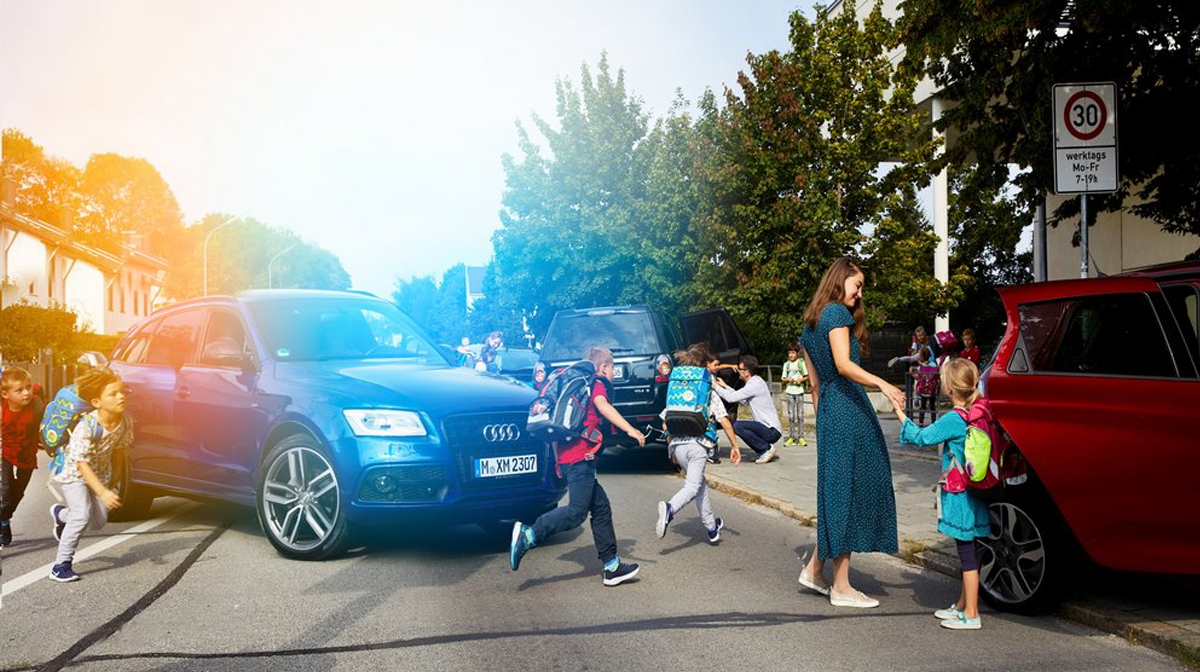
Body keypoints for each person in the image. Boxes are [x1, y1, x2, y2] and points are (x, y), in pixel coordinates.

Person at [798, 257, 904, 609]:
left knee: (837, 490)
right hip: (848, 409)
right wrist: (883, 384)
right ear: (841, 280)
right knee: (851, 491)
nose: (859, 294)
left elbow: (814, 384)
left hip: (829, 412)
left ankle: (814, 570)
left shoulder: (810, 324)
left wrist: (825, 421)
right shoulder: (836, 314)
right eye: (857, 285)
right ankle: (842, 588)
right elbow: (844, 366)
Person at [509, 347, 646, 587]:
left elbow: (554, 429)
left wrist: (558, 461)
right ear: (603, 367)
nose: (612, 372)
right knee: (576, 513)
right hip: (581, 458)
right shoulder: (596, 383)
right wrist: (630, 429)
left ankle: (611, 566)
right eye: (612, 367)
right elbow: (603, 406)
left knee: (601, 507)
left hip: (570, 457)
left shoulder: (573, 385)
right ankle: (529, 535)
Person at [893, 358, 991, 630]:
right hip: (979, 491)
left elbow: (922, 438)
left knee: (967, 554)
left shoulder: (954, 419)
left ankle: (971, 614)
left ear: (948, 388)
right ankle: (962, 605)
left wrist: (900, 413)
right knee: (974, 550)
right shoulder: (982, 410)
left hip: (960, 494)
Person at [49, 367, 132, 582]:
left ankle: (61, 515)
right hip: (75, 474)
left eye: (122, 391)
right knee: (81, 515)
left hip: (101, 474)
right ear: (97, 402)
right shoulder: (87, 426)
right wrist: (102, 491)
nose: (121, 396)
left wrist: (114, 479)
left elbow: (119, 450)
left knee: (98, 522)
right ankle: (61, 565)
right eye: (113, 394)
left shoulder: (125, 422)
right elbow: (81, 463)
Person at [655, 344, 741, 544]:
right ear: (702, 367)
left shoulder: (677, 387)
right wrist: (735, 446)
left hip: (677, 444)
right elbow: (724, 420)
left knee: (700, 485)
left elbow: (665, 419)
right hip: (698, 445)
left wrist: (671, 447)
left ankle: (712, 528)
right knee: (693, 486)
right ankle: (670, 509)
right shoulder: (706, 391)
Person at [1, 367, 45, 548]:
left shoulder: (36, 404)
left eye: (28, 387)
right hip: (6, 454)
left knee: (18, 493)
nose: (26, 393)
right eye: (19, 390)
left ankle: (4, 519)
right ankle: (3, 523)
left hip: (27, 456)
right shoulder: (2, 410)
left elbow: (50, 423)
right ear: (5, 394)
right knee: (5, 492)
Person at [713, 356, 783, 464]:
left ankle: (766, 449)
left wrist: (715, 386)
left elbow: (731, 398)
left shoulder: (754, 385)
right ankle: (762, 451)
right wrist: (725, 386)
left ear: (747, 372)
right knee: (740, 426)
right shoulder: (756, 382)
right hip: (768, 428)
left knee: (737, 426)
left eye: (740, 369)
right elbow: (740, 398)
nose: (738, 372)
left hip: (771, 430)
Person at [705, 354, 741, 462]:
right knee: (721, 420)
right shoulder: (709, 377)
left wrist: (730, 366)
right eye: (715, 365)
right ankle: (713, 451)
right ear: (707, 364)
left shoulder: (703, 372)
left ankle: (710, 450)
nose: (717, 368)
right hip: (713, 400)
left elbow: (720, 366)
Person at [781, 343, 809, 447]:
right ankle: (791, 437)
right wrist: (788, 379)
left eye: (793, 353)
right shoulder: (786, 364)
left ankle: (801, 437)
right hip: (789, 392)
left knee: (800, 415)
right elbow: (783, 378)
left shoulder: (801, 363)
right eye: (789, 353)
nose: (791, 355)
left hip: (799, 391)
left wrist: (800, 380)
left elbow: (807, 376)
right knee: (791, 415)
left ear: (797, 353)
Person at [914, 347, 940, 425]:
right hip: (932, 389)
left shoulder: (919, 367)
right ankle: (933, 421)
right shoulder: (933, 365)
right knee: (932, 406)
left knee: (923, 406)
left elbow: (918, 377)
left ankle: (921, 422)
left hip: (923, 389)